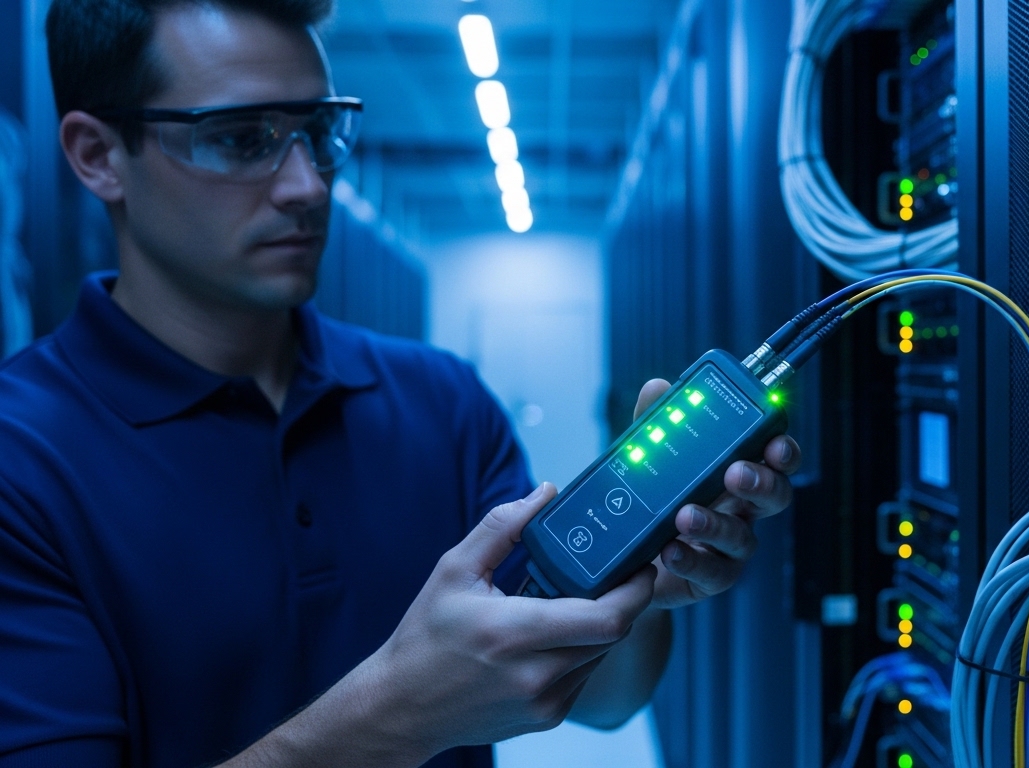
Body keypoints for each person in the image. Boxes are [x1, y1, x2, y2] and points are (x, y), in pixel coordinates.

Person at [0, 1, 801, 766]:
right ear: (98, 155)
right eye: (243, 139)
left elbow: (604, 700)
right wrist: (399, 713)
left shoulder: (442, 402)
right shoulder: (22, 461)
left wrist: (643, 585)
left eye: (317, 133)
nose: (308, 186)